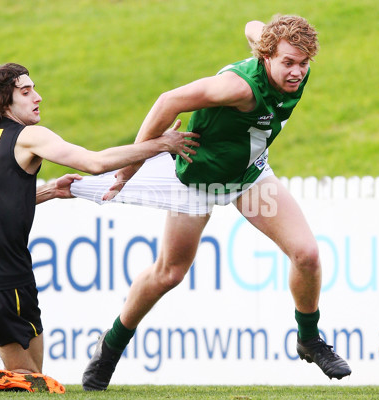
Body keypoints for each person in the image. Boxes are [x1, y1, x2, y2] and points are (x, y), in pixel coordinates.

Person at [72, 15, 351, 391]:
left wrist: (263, 32)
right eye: (288, 62)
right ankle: (110, 348)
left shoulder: (283, 56)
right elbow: (167, 101)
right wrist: (130, 165)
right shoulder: (237, 89)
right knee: (169, 273)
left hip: (248, 177)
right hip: (199, 181)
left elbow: (254, 26)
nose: (297, 72)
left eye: (303, 63)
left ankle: (309, 339)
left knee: (307, 255)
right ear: (266, 57)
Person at [0, 63, 199, 393]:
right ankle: (17, 377)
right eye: (26, 93)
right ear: (4, 104)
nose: (38, 98)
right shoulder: (29, 136)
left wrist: (49, 191)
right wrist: (161, 144)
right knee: (37, 384)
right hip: (3, 278)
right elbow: (95, 162)